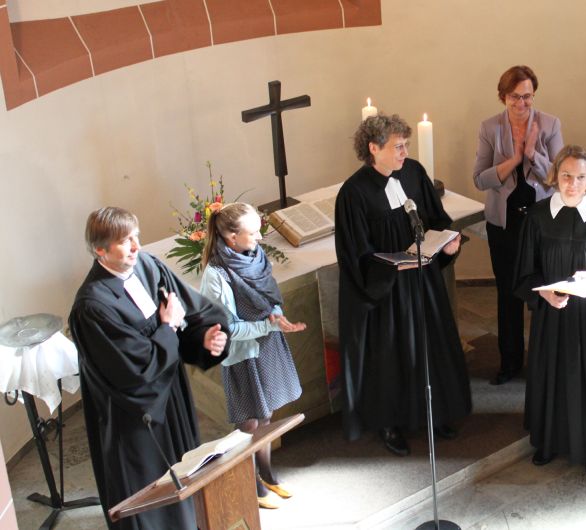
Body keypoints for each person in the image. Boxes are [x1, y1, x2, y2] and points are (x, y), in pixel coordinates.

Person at [69, 207, 229, 530]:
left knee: (186, 483)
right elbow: (133, 367)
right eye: (125, 242)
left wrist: (204, 339)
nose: (136, 247)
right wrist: (167, 329)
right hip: (137, 420)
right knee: (152, 505)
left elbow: (187, 313)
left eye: (136, 237)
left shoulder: (147, 267)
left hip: (172, 401)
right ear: (100, 250)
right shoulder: (91, 307)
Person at [335, 114, 472, 456]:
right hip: (389, 295)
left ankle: (434, 413)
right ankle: (390, 423)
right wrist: (391, 269)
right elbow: (355, 253)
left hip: (423, 284)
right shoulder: (354, 193)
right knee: (392, 357)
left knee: (430, 347)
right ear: (373, 148)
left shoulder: (413, 173)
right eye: (397, 147)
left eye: (406, 145)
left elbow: (436, 219)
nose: (404, 152)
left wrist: (448, 242)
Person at [514, 145, 586, 474]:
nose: (573, 184)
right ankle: (548, 441)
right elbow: (524, 273)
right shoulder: (538, 217)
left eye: (581, 177)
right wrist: (546, 295)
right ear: (555, 176)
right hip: (553, 315)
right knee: (552, 377)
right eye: (566, 175)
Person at [199, 202, 305, 509]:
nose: (259, 238)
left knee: (267, 414)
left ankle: (268, 474)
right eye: (253, 232)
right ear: (232, 237)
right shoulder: (215, 274)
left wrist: (277, 314)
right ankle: (251, 483)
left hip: (267, 344)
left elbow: (270, 296)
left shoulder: (254, 256)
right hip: (244, 354)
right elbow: (226, 328)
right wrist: (267, 324)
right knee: (249, 423)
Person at [473, 65, 564, 385]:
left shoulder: (550, 124)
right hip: (504, 223)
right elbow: (479, 179)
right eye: (515, 97)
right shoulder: (489, 127)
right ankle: (509, 363)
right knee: (508, 293)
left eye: (528, 96)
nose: (522, 103)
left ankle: (544, 362)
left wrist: (532, 154)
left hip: (541, 223)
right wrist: (513, 160)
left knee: (543, 289)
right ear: (503, 97)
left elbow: (558, 178)